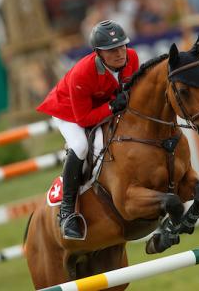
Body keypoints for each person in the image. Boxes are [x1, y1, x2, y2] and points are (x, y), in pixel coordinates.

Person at [37, 20, 139, 240]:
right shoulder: (82, 74)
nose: (120, 53)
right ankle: (67, 213)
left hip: (99, 105)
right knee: (81, 146)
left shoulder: (132, 57)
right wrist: (112, 106)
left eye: (121, 46)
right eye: (112, 50)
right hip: (68, 110)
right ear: (98, 53)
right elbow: (84, 119)